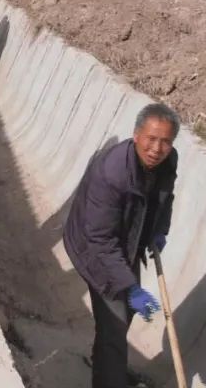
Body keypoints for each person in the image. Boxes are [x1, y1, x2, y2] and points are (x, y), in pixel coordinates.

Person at [63, 103, 181, 388]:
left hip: (125, 242)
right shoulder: (112, 173)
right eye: (151, 139)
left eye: (165, 141)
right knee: (114, 325)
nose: (157, 148)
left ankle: (107, 369)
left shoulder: (168, 159)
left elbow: (164, 198)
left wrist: (158, 232)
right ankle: (109, 379)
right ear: (136, 136)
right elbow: (100, 240)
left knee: (121, 318)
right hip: (93, 249)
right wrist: (131, 289)